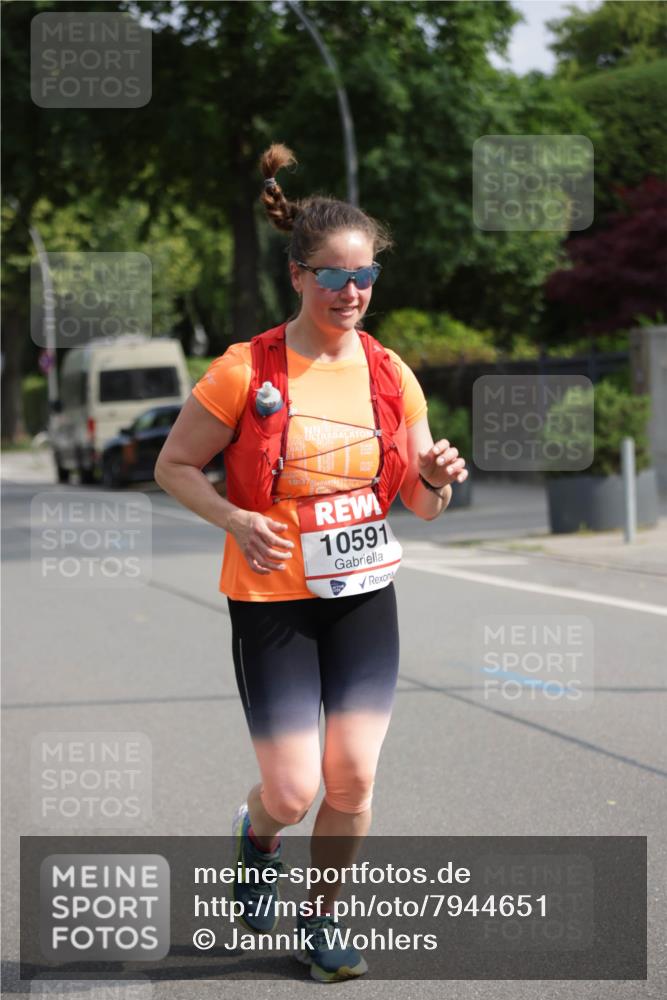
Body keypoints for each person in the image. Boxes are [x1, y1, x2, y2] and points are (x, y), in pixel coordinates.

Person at [154, 142, 468, 983]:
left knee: (353, 778)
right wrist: (233, 517)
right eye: (333, 276)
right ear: (297, 276)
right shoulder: (243, 370)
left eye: (364, 276)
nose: (350, 292)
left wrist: (436, 478)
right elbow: (174, 466)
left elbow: (421, 504)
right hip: (271, 599)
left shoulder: (389, 373)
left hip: (362, 593)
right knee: (292, 792)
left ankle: (321, 920)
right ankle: (257, 837)